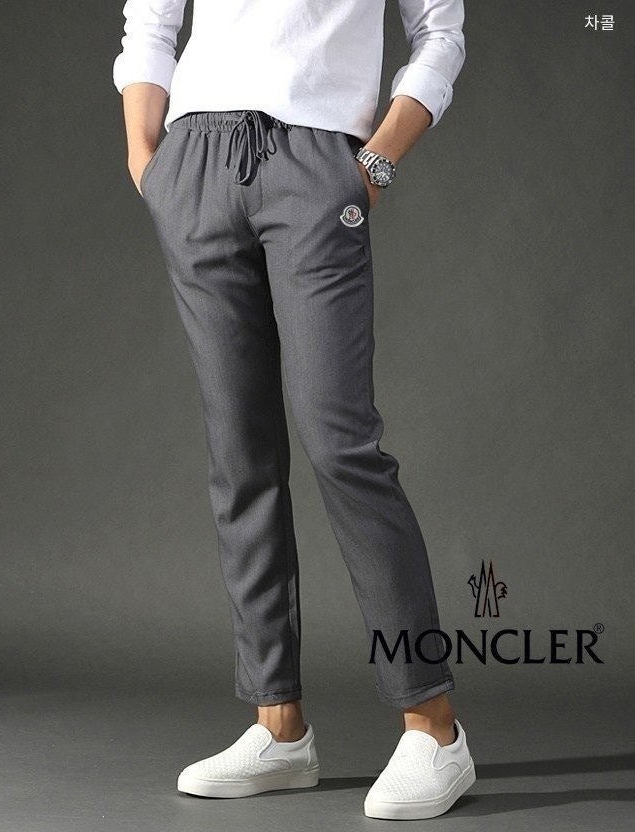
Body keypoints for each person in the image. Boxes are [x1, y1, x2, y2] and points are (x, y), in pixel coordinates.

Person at [112, 0, 474, 820]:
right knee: (239, 454)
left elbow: (441, 33)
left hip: (317, 160)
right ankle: (278, 727)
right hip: (195, 160)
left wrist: (373, 165)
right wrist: (148, 162)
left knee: (341, 443)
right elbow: (150, 20)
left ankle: (435, 729)